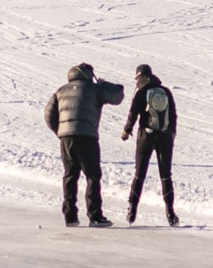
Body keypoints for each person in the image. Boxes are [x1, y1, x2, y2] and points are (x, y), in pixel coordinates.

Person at [44, 62, 126, 225]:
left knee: (70, 175)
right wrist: (103, 84)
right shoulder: (94, 89)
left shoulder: (60, 91)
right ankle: (95, 216)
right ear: (88, 74)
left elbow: (48, 115)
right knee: (93, 176)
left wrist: (61, 132)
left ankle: (70, 216)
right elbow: (118, 96)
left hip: (67, 138)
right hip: (87, 137)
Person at [121, 64, 181, 226]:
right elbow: (173, 113)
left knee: (140, 173)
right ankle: (170, 212)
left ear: (141, 77)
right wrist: (172, 132)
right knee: (165, 175)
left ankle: (132, 209)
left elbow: (133, 113)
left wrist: (127, 130)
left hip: (145, 136)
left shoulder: (141, 93)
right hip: (165, 137)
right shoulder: (166, 91)